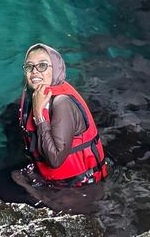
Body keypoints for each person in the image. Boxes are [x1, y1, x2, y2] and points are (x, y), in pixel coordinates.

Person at [11, 44, 110, 197]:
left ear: (56, 69)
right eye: (29, 66)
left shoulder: (62, 103)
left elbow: (55, 160)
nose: (34, 71)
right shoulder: (36, 95)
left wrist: (39, 115)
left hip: (79, 189)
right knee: (13, 177)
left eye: (42, 65)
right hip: (55, 182)